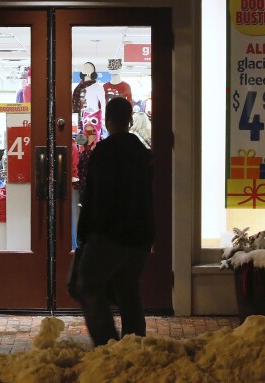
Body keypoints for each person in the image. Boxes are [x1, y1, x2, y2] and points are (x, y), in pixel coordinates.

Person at [74, 96, 155, 346]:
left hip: (112, 234)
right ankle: (134, 346)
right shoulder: (143, 153)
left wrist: (85, 234)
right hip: (140, 234)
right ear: (130, 120)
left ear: (107, 121)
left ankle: (107, 344)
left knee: (87, 284)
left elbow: (96, 196)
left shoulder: (104, 152)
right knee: (128, 289)